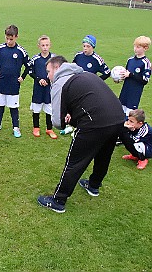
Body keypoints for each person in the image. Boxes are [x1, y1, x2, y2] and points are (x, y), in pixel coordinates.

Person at [37, 56, 124, 213]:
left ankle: (58, 200)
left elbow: (57, 121)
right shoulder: (86, 74)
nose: (48, 76)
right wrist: (74, 117)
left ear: (57, 68)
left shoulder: (59, 83)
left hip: (95, 122)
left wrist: (67, 121)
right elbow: (88, 102)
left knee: (74, 161)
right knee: (104, 155)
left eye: (48, 71)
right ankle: (93, 186)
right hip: (118, 118)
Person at [0, 25, 30, 138]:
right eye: (7, 38)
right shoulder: (0, 48)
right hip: (1, 82)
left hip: (13, 84)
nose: (9, 41)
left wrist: (23, 77)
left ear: (16, 37)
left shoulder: (21, 51)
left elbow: (29, 65)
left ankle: (16, 127)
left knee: (13, 107)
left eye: (11, 39)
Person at [28, 35, 58, 139]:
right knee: (36, 108)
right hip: (38, 87)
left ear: (50, 45)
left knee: (49, 108)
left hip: (49, 88)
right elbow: (30, 71)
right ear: (39, 46)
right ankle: (36, 127)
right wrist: (38, 79)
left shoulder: (54, 58)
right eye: (43, 45)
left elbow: (58, 71)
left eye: (47, 45)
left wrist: (50, 80)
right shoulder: (35, 59)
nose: (45, 47)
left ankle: (49, 129)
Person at [118, 36, 151, 117]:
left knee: (129, 114)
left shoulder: (145, 63)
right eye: (134, 46)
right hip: (125, 91)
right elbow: (126, 73)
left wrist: (131, 75)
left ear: (145, 48)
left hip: (134, 94)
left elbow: (145, 80)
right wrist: (120, 77)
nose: (135, 49)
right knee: (120, 112)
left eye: (138, 47)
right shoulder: (130, 60)